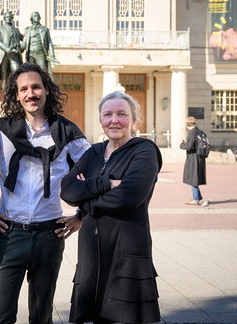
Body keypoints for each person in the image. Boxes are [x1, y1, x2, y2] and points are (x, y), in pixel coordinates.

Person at [0, 63, 90, 324]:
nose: (30, 93)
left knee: (42, 316)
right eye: (23, 89)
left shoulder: (68, 132)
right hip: (9, 235)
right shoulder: (0, 130)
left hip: (49, 235)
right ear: (16, 94)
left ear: (47, 91)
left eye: (35, 87)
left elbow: (95, 173)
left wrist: (81, 216)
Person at [60, 90, 161, 324]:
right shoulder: (93, 152)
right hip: (91, 255)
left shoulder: (144, 150)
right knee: (94, 317)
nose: (114, 120)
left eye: (122, 114)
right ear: (100, 120)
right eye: (108, 114)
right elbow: (67, 189)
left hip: (126, 251)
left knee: (125, 318)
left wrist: (86, 203)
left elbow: (129, 196)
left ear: (134, 120)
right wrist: (107, 184)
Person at [180, 116, 207, 205]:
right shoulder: (199, 131)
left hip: (193, 158)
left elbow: (189, 146)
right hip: (199, 158)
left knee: (193, 178)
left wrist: (182, 144)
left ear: (187, 125)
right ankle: (198, 196)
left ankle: (195, 199)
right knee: (195, 177)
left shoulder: (192, 133)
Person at [22, 11, 58, 78]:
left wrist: (52, 55)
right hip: (30, 54)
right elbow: (24, 43)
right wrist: (19, 49)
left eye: (37, 16)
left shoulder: (45, 29)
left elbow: (50, 43)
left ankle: (45, 87)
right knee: (30, 71)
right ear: (31, 19)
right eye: (34, 16)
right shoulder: (28, 30)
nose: (37, 17)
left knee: (43, 72)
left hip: (40, 54)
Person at [0, 10, 23, 88]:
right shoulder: (0, 29)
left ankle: (15, 91)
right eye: (7, 17)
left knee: (17, 73)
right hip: (4, 54)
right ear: (4, 18)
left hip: (14, 55)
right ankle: (5, 95)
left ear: (12, 18)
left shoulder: (16, 30)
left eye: (10, 17)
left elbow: (23, 39)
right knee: (4, 76)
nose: (8, 18)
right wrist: (7, 49)